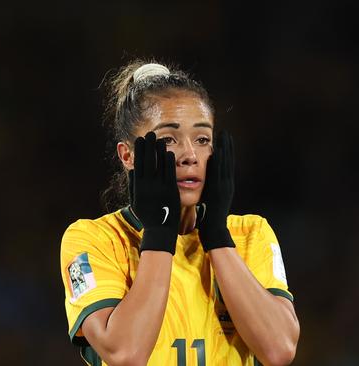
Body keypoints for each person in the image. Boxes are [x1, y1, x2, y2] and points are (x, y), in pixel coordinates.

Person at [60, 60, 300, 366]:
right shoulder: (94, 240)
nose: (189, 155)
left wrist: (216, 235)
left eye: (202, 139)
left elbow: (279, 349)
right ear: (128, 155)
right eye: (169, 139)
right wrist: (161, 233)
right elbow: (126, 354)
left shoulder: (251, 233)